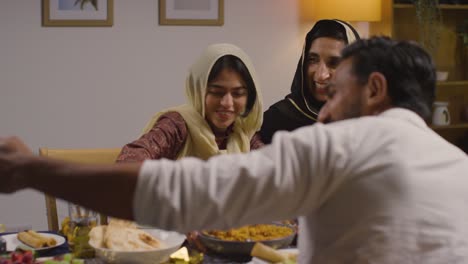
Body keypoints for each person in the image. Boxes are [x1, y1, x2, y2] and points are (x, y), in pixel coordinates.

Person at [2, 37, 468, 263]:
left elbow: (179, 193)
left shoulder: (338, 145)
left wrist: (29, 170)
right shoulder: (459, 166)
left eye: (336, 92)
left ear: (375, 90)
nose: (323, 110)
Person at [116, 43, 264, 163]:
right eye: (217, 92)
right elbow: (131, 159)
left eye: (238, 94)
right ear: (198, 89)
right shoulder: (177, 125)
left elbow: (273, 168)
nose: (227, 103)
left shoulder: (242, 133)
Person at [260, 19, 360, 143]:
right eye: (313, 60)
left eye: (334, 63)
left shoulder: (367, 121)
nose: (321, 75)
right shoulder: (275, 120)